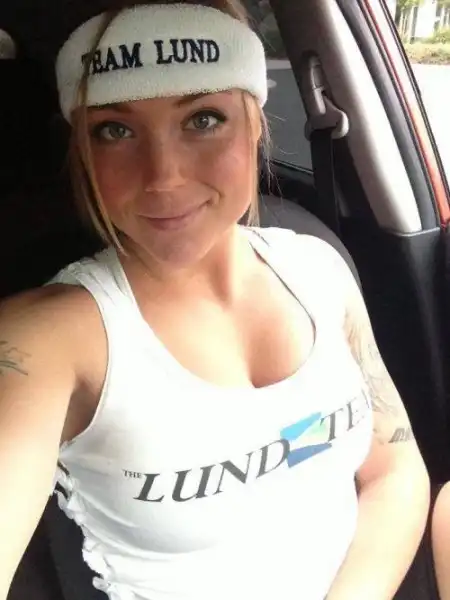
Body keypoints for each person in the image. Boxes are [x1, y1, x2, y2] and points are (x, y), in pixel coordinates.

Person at [0, 1, 435, 599]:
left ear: (255, 123)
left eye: (203, 119)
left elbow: (393, 467)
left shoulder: (317, 268)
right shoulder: (48, 339)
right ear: (82, 150)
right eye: (115, 130)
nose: (164, 176)